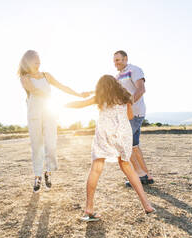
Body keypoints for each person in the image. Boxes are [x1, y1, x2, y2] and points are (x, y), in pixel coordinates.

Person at [65, 75, 155, 221]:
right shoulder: (126, 97)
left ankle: (89, 209)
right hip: (122, 134)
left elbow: (80, 104)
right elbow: (130, 116)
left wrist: (63, 105)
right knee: (127, 165)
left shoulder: (99, 98)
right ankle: (147, 205)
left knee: (96, 167)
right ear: (116, 85)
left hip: (105, 132)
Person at [18, 50, 91, 192]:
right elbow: (34, 90)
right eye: (34, 59)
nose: (38, 61)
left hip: (49, 113)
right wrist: (51, 96)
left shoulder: (46, 75)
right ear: (27, 61)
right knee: (36, 145)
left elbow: (62, 86)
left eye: (39, 59)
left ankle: (48, 172)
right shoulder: (24, 77)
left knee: (51, 144)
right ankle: (38, 175)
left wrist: (79, 94)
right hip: (34, 114)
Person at [113, 50, 154, 185]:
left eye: (118, 60)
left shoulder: (134, 70)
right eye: (114, 60)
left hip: (135, 113)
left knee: (124, 144)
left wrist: (129, 104)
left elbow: (141, 89)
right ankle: (147, 176)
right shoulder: (117, 76)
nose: (116, 63)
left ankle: (139, 175)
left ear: (125, 59)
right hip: (126, 115)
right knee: (134, 146)